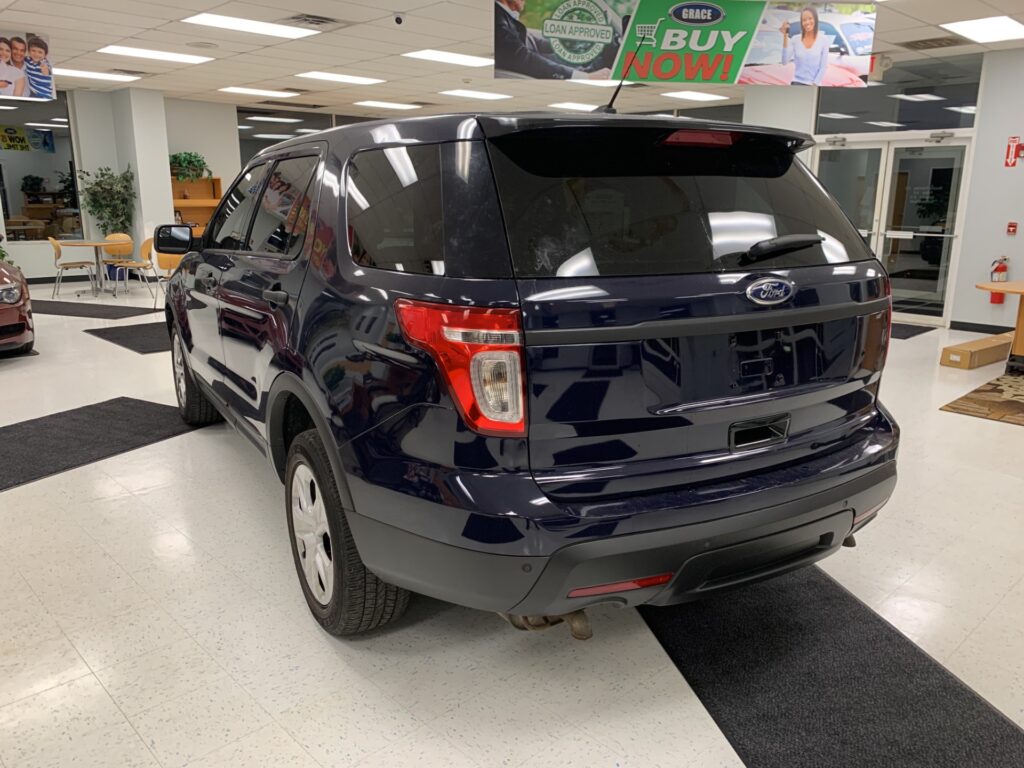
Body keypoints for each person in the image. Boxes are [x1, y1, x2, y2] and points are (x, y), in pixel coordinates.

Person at [495, 0, 611, 80]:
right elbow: (523, 58)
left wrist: (575, 46)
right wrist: (585, 77)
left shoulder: (505, 17)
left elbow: (536, 42)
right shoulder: (497, 20)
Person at [780, 7, 829, 86]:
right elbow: (784, 61)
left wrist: (814, 84)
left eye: (810, 18)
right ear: (801, 22)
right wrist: (785, 36)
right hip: (797, 83)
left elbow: (823, 67)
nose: (807, 22)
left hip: (814, 85)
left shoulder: (824, 40)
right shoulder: (795, 39)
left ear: (815, 19)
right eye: (804, 20)